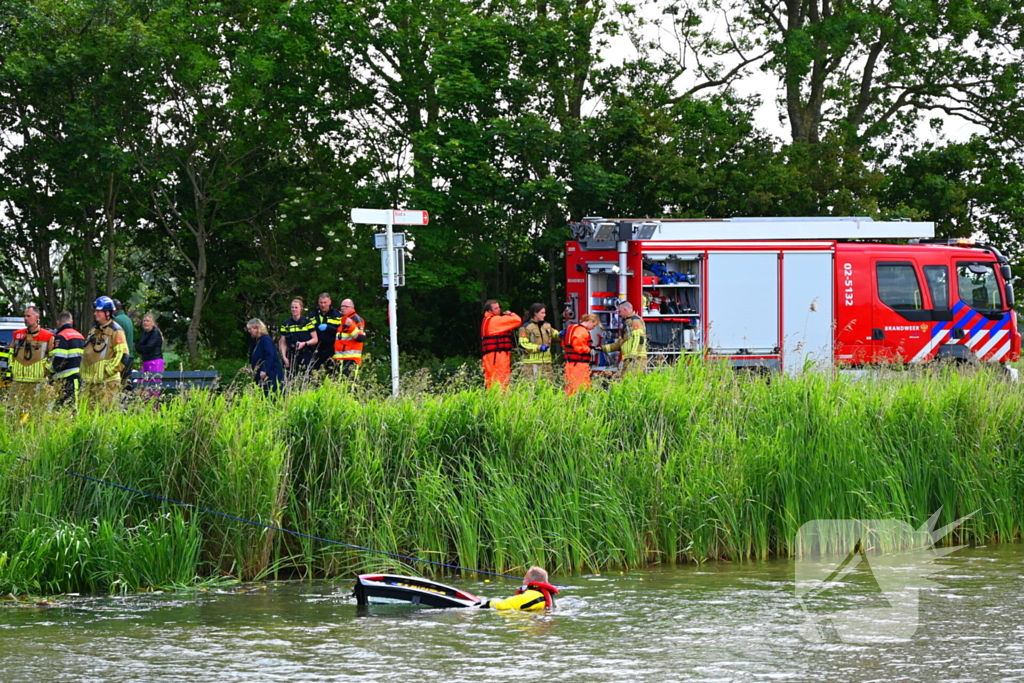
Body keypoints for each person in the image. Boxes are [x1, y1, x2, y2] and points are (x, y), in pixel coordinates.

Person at [81, 296, 129, 408]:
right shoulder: (93, 330)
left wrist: (108, 370)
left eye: (99, 311)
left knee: (105, 415)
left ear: (107, 313)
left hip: (107, 383)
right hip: (90, 383)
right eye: (95, 311)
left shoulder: (116, 331)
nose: (95, 314)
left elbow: (123, 356)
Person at [8, 306, 55, 418]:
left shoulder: (47, 336)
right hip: (18, 380)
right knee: (12, 411)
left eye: (28, 316)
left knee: (35, 412)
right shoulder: (17, 335)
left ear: (37, 317)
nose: (25, 318)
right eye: (24, 316)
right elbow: (11, 352)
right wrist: (11, 366)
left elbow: (53, 356)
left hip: (37, 381)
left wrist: (46, 370)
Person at [481, 299, 522, 390]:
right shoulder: (495, 320)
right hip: (497, 356)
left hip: (492, 356)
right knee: (500, 379)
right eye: (496, 308)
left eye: (499, 307)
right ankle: (501, 400)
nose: (499, 310)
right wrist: (511, 314)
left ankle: (495, 400)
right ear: (490, 311)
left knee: (492, 380)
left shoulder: (487, 320)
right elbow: (517, 320)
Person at [49, 311, 86, 408]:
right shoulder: (80, 336)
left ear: (58, 323)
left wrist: (51, 369)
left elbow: (60, 360)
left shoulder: (61, 336)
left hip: (66, 379)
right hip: (79, 377)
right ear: (72, 322)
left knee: (65, 408)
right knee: (73, 406)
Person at [599, 301, 647, 375]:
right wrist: (602, 348)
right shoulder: (628, 322)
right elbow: (620, 344)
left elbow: (639, 339)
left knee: (632, 381)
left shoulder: (635, 321)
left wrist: (633, 355)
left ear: (625, 309)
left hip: (636, 359)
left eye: (620, 311)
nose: (619, 314)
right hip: (629, 359)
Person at [483, 566, 559, 610]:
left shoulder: (531, 595)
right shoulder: (545, 594)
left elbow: (503, 605)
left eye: (524, 578)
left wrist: (489, 602)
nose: (523, 581)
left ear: (530, 581)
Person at [279, 297, 318, 381]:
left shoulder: (308, 322)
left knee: (308, 378)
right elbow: (283, 342)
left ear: (301, 308)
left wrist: (305, 343)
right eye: (292, 307)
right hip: (292, 354)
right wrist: (284, 357)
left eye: (296, 307)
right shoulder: (286, 324)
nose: (294, 309)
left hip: (306, 353)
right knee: (290, 378)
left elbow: (315, 339)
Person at [518, 303, 559, 381]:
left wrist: (561, 334)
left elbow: (555, 334)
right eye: (542, 313)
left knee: (548, 386)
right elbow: (523, 345)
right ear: (535, 313)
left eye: (545, 313)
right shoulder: (526, 327)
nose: (545, 315)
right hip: (532, 364)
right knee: (532, 387)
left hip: (547, 363)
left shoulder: (547, 325)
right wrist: (539, 347)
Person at [562, 314, 600, 396]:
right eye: (594, 325)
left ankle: (570, 404)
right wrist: (589, 349)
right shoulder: (582, 331)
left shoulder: (573, 327)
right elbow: (578, 347)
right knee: (580, 386)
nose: (593, 328)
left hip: (571, 363)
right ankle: (579, 404)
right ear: (590, 321)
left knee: (571, 386)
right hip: (578, 364)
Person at [248, 318, 284, 393]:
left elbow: (269, 355)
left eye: (250, 329)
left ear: (256, 328)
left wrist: (265, 369)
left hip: (270, 373)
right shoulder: (255, 341)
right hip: (259, 373)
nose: (249, 331)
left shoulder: (265, 339)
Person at [135, 313, 164, 403]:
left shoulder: (155, 333)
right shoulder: (144, 334)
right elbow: (138, 347)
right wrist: (141, 348)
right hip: (145, 362)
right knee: (140, 384)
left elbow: (148, 347)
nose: (145, 323)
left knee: (153, 388)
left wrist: (141, 348)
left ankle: (154, 408)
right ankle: (143, 406)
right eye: (144, 321)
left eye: (148, 321)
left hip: (155, 361)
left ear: (153, 323)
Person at [333, 298, 366, 377]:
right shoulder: (344, 319)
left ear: (351, 308)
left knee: (350, 384)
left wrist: (351, 326)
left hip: (351, 358)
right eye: (341, 306)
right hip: (340, 358)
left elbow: (361, 338)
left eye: (345, 306)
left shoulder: (356, 319)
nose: (342, 308)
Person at [311, 293, 342, 373]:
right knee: (314, 375)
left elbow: (340, 332)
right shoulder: (313, 315)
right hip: (316, 349)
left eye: (325, 302)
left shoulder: (337, 315)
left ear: (330, 302)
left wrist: (328, 328)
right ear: (318, 302)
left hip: (331, 349)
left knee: (332, 374)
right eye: (321, 303)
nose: (323, 305)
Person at [113, 299, 135, 389]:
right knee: (127, 383)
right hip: (129, 356)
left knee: (120, 384)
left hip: (121, 357)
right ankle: (129, 401)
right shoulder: (127, 319)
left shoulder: (117, 320)